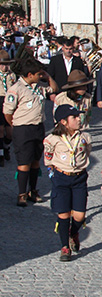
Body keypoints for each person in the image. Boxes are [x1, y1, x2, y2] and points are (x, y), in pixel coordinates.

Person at [4, 59, 56, 206]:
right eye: (38, 74)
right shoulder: (16, 89)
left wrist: (48, 77)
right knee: (24, 162)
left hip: (38, 127)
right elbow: (7, 112)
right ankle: (22, 193)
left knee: (35, 162)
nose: (40, 76)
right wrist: (14, 126)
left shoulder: (38, 87)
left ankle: (33, 190)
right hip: (23, 129)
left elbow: (54, 88)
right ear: (30, 74)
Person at [43, 105, 92, 262]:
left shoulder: (85, 137)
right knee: (63, 214)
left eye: (79, 116)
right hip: (61, 178)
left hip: (79, 178)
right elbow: (48, 159)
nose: (79, 119)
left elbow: (87, 152)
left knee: (79, 215)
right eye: (75, 117)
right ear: (64, 122)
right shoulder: (52, 139)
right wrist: (54, 174)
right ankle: (64, 246)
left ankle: (74, 232)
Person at [0, 50, 18, 166]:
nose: (5, 67)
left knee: (10, 132)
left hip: (9, 100)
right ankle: (1, 153)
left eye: (7, 64)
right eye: (3, 64)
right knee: (0, 130)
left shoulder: (12, 75)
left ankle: (6, 146)